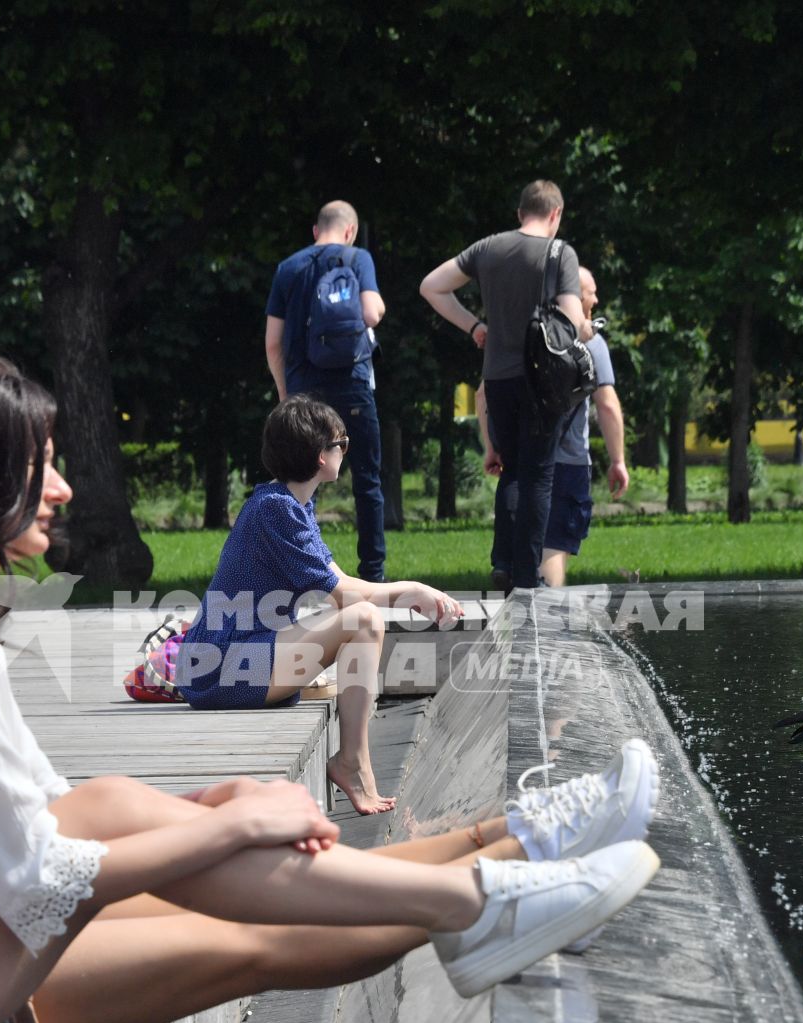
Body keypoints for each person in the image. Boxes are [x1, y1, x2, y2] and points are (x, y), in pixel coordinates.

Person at [0, 351, 661, 1023]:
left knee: (129, 808)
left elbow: (50, 818)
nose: (65, 489)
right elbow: (39, 875)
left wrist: (205, 811)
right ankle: (480, 898)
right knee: (237, 917)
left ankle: (507, 856)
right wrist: (227, 831)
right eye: (42, 464)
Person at [177, 396, 462, 815]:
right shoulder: (276, 511)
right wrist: (413, 590)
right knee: (363, 620)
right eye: (341, 443)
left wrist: (408, 592)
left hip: (236, 657)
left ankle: (352, 759)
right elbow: (348, 598)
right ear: (319, 455)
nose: (345, 451)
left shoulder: (288, 503)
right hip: (223, 668)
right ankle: (351, 762)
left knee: (356, 628)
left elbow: (339, 582)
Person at [420, 180, 588, 590]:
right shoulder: (559, 252)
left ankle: (504, 565)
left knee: (512, 470)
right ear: (555, 214)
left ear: (519, 213)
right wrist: (588, 327)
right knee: (539, 475)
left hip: (498, 377)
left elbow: (432, 287)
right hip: (542, 381)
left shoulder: (487, 248)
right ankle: (528, 576)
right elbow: (572, 323)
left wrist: (476, 327)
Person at [478, 267, 628, 588]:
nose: (596, 299)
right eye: (590, 291)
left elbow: (483, 394)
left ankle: (507, 572)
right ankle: (545, 626)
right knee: (553, 548)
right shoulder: (590, 342)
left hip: (522, 462)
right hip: (567, 464)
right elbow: (608, 405)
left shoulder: (523, 337)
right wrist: (617, 461)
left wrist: (492, 446)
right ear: (573, 296)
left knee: (525, 547)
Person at [264, 200, 388, 581]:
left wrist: (287, 394)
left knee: (301, 482)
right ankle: (373, 574)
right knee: (367, 479)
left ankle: (300, 573)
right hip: (351, 385)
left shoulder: (289, 268)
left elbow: (273, 342)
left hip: (305, 390)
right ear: (349, 231)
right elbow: (372, 312)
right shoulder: (358, 258)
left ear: (316, 231)